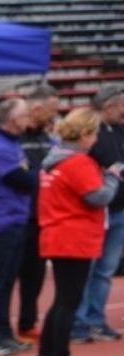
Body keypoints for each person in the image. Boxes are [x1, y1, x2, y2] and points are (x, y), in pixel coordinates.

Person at [35, 106, 122, 356]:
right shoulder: (78, 163)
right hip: (74, 237)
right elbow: (98, 197)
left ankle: (45, 355)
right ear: (84, 135)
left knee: (62, 299)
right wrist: (112, 176)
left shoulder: (54, 159)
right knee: (69, 301)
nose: (96, 140)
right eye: (94, 134)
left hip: (58, 234)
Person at [0, 96, 37, 356]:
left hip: (13, 218)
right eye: (25, 115)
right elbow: (23, 179)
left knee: (6, 280)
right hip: (2, 221)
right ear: (13, 120)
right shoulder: (0, 147)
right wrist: (40, 175)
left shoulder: (10, 143)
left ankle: (4, 333)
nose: (29, 119)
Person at [71, 85, 124, 342]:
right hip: (92, 211)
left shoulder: (119, 129)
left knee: (105, 270)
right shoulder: (88, 133)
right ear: (110, 106)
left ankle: (95, 319)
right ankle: (78, 322)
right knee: (87, 269)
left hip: (119, 210)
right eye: (122, 106)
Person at [16, 85, 61, 343]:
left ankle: (27, 322)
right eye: (51, 110)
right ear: (36, 108)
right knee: (8, 275)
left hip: (41, 216)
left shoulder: (47, 136)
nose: (54, 115)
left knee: (35, 273)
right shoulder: (16, 137)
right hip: (15, 217)